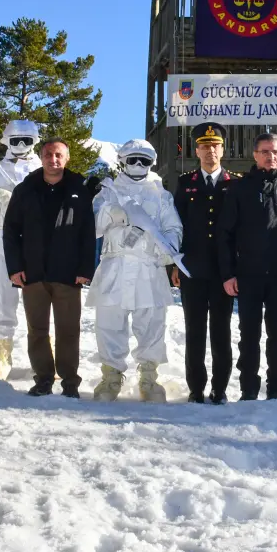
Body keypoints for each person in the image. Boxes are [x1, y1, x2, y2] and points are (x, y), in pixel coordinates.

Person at [217, 132, 277, 401]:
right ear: (255, 155)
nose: (271, 156)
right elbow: (225, 235)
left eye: (276, 152)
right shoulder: (238, 189)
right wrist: (228, 274)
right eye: (265, 152)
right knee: (249, 333)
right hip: (248, 274)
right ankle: (248, 389)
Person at [88, 139, 182, 403]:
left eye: (145, 161)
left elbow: (173, 227)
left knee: (152, 324)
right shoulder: (108, 192)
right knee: (109, 324)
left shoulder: (161, 195)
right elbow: (92, 226)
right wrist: (112, 214)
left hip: (148, 267)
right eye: (133, 160)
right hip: (114, 266)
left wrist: (168, 246)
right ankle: (110, 376)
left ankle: (149, 378)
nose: (139, 165)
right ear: (122, 161)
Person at [3, 137, 96, 397]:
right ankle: (43, 378)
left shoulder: (79, 189)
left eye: (58, 155)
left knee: (68, 330)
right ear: (41, 157)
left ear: (66, 159)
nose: (53, 160)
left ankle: (69, 382)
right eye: (48, 155)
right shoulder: (25, 189)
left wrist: (85, 269)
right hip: (33, 273)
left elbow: (88, 233)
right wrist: (15, 267)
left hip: (67, 273)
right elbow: (10, 230)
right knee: (37, 330)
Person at [172, 122, 236, 404]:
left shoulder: (235, 183)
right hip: (193, 269)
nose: (210, 150)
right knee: (194, 331)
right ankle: (196, 388)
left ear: (223, 149)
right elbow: (177, 226)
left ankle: (219, 388)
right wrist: (175, 263)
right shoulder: (186, 183)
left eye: (215, 145)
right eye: (205, 146)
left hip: (224, 272)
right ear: (196, 150)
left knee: (221, 331)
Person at [0, 119, 42, 380]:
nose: (20, 146)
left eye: (26, 141)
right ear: (6, 141)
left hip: (35, 242)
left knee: (39, 299)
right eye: (15, 141)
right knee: (1, 298)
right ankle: (1, 349)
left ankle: (42, 353)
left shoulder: (43, 167)